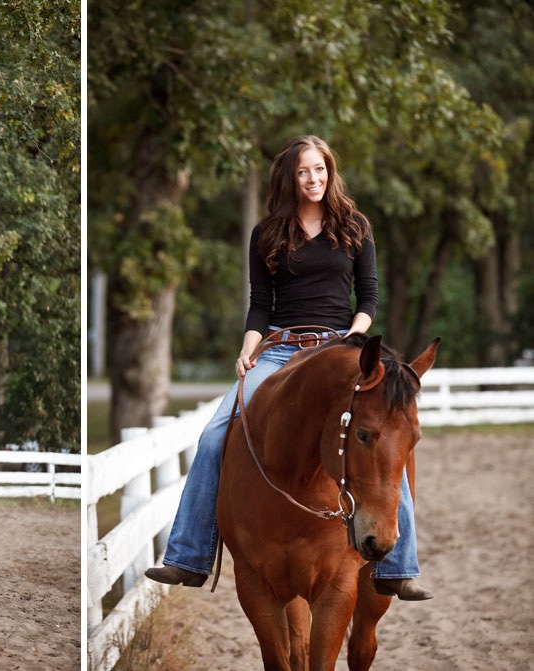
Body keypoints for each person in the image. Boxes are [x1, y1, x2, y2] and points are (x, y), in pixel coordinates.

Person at [145, 135, 432, 601]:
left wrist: (351, 338)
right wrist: (247, 347)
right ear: (290, 178)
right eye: (303, 172)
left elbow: (369, 297)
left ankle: (398, 568)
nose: (313, 179)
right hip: (279, 349)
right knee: (214, 435)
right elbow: (261, 305)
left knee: (385, 433)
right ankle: (189, 556)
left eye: (319, 169)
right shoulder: (268, 233)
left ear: (330, 172)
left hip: (340, 346)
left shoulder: (355, 227)